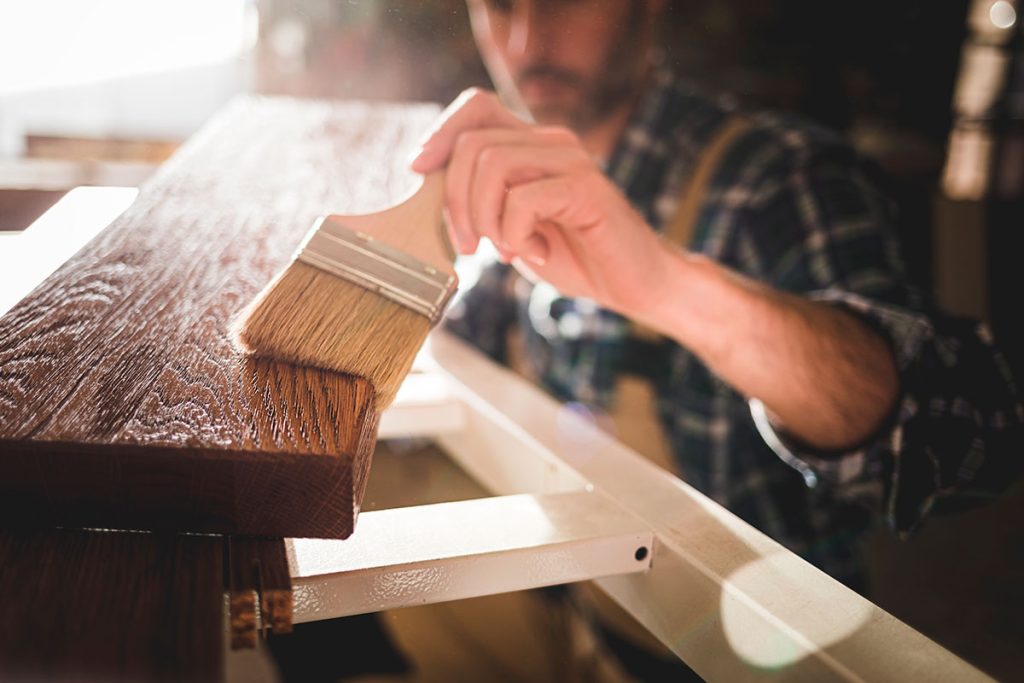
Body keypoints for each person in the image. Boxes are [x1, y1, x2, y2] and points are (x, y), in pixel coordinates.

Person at [398, 0, 1024, 678]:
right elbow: (463, 346)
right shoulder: (514, 175)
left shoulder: (776, 178)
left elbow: (972, 431)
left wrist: (669, 285)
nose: (525, 39)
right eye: (498, 5)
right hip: (584, 624)